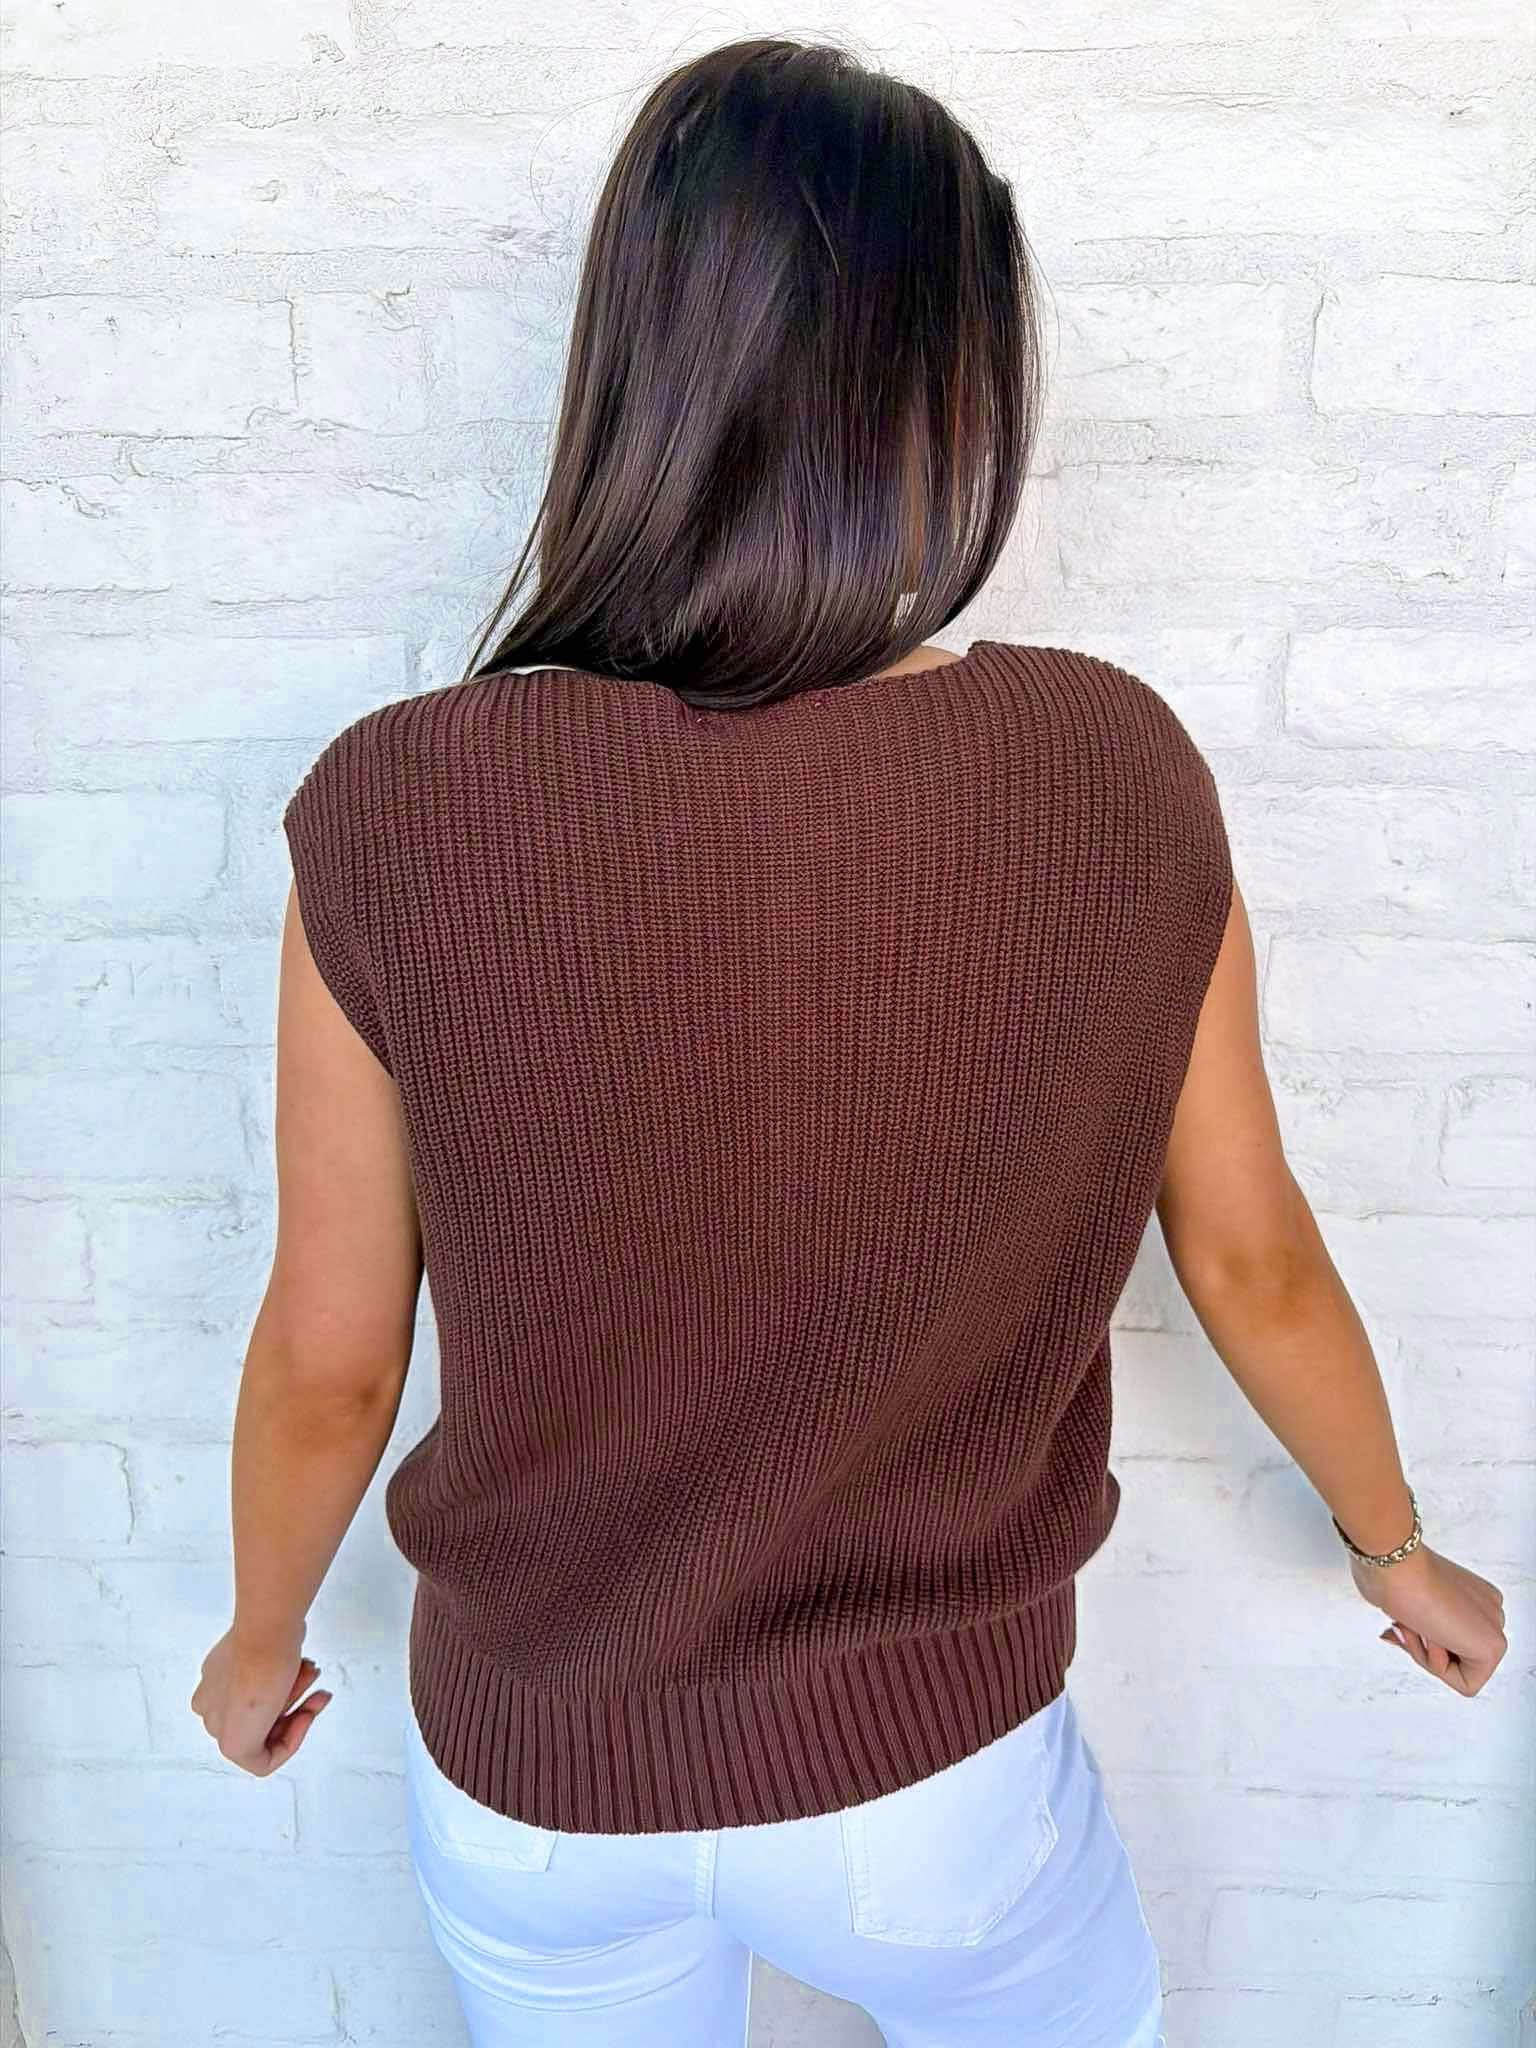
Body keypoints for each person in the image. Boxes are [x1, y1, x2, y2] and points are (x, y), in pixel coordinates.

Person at [190, 34, 1509, 2048]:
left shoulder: (394, 804)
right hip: (940, 1787)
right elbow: (1249, 1255)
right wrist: (1393, 1545)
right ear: (948, 391)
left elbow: (330, 1358)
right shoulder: (1112, 767)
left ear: (632, 367)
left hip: (541, 1782)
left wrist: (256, 1638)